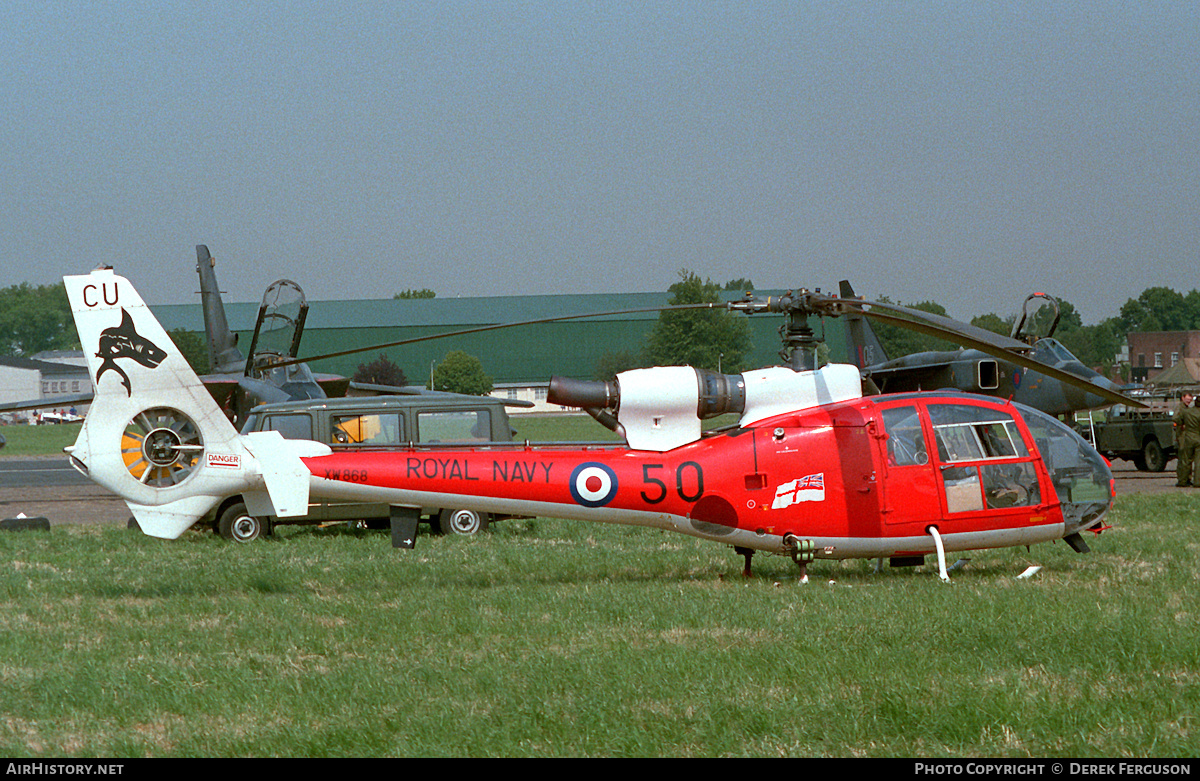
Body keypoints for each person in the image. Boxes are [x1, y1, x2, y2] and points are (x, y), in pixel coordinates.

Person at [1173, 392, 1200, 486]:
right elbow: (1176, 418)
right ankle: (1194, 481)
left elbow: (1177, 419)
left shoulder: (1187, 410)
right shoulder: (1181, 408)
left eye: (1190, 399)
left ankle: (1183, 481)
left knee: (1186, 460)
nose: (1189, 401)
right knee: (1194, 460)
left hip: (1188, 437)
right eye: (1187, 399)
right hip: (1191, 437)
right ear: (1182, 398)